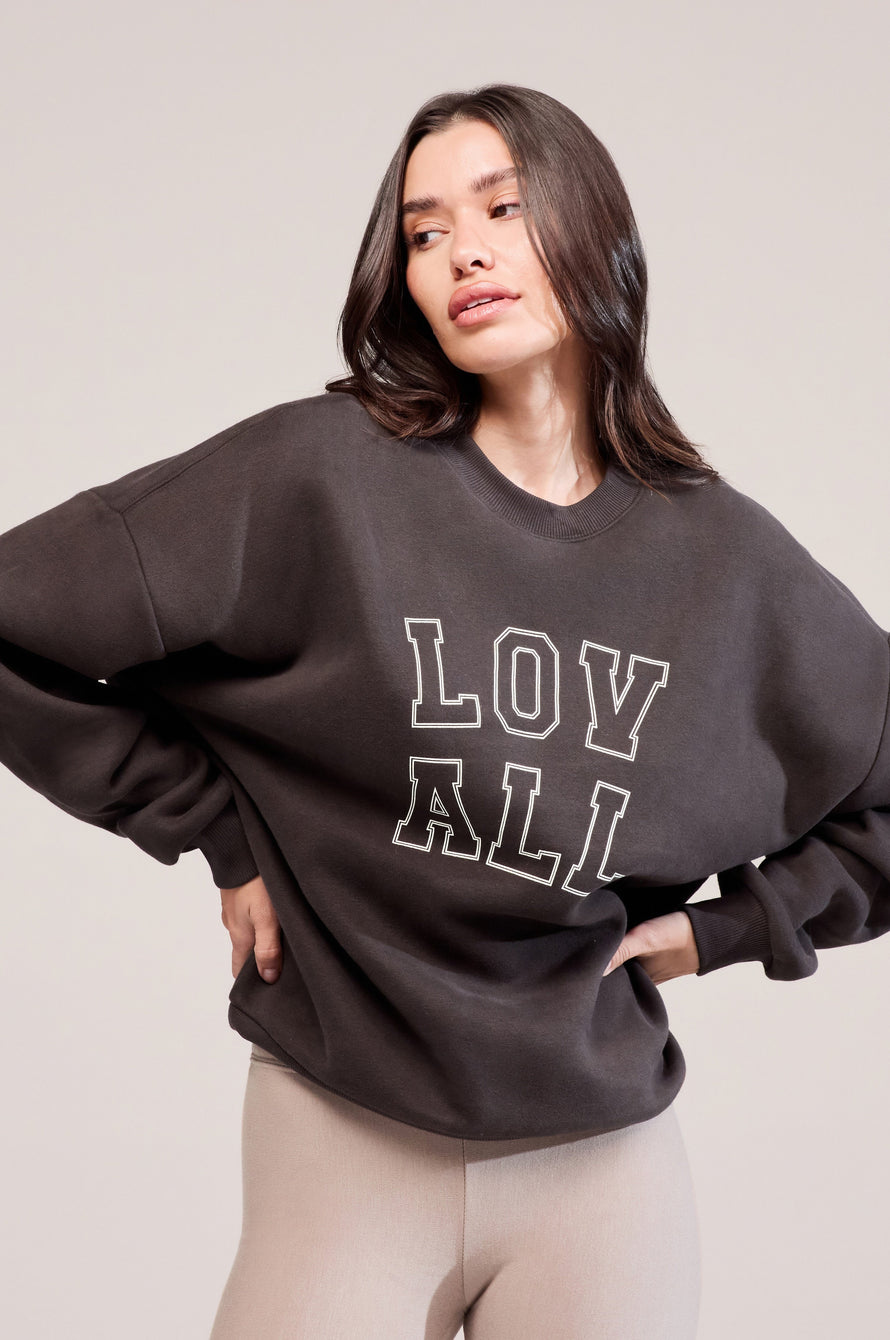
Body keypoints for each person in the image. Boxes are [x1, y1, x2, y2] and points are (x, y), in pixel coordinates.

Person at [1, 82, 889, 1340]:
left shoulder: (728, 565)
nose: (462, 250)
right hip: (339, 1128)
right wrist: (212, 827)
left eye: (501, 208)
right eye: (424, 231)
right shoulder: (316, 476)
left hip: (599, 1171)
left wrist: (735, 925)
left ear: (591, 227)